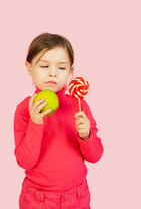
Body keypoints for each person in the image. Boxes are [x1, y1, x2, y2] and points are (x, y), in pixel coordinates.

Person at [13, 33, 104, 209]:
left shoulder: (79, 106)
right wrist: (35, 123)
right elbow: (25, 162)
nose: (53, 73)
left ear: (71, 72)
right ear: (29, 67)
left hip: (77, 198)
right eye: (44, 65)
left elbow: (95, 156)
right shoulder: (25, 109)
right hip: (38, 200)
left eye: (61, 68)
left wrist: (86, 136)